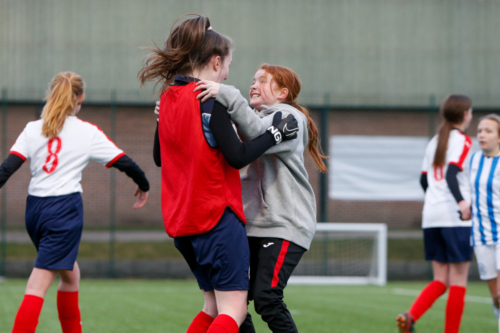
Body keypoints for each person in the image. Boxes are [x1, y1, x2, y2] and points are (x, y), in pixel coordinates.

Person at [139, 15, 298, 333]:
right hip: (216, 220)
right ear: (215, 62)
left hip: (182, 226)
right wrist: (274, 136)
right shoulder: (212, 100)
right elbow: (237, 157)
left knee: (211, 307)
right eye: (227, 64)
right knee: (234, 310)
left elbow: (159, 157)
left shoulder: (167, 99)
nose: (227, 71)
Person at [2, 71, 150, 333]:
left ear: (51, 95)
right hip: (64, 212)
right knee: (37, 285)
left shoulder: (31, 128)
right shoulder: (87, 132)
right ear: (80, 98)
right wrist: (144, 185)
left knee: (71, 276)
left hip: (35, 212)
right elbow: (125, 162)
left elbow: (6, 169)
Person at [192, 64, 327, 333]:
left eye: (263, 81)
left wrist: (226, 93)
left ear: (283, 92)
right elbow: (231, 140)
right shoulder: (255, 116)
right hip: (253, 224)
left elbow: (255, 132)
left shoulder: (289, 118)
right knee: (235, 302)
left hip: (284, 225)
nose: (253, 85)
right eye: (252, 80)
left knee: (267, 297)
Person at [395, 94, 473, 333]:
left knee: (441, 280)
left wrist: (435, 201)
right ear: (463, 115)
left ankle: (410, 316)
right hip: (455, 218)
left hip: (432, 216)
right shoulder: (463, 141)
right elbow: (451, 175)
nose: (471, 116)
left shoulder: (434, 141)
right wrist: (461, 203)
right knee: (458, 281)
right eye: (470, 112)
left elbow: (423, 179)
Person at [469, 114, 500, 332]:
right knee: (495, 297)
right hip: (480, 236)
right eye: (480, 130)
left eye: (488, 131)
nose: (481, 134)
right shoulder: (473, 160)